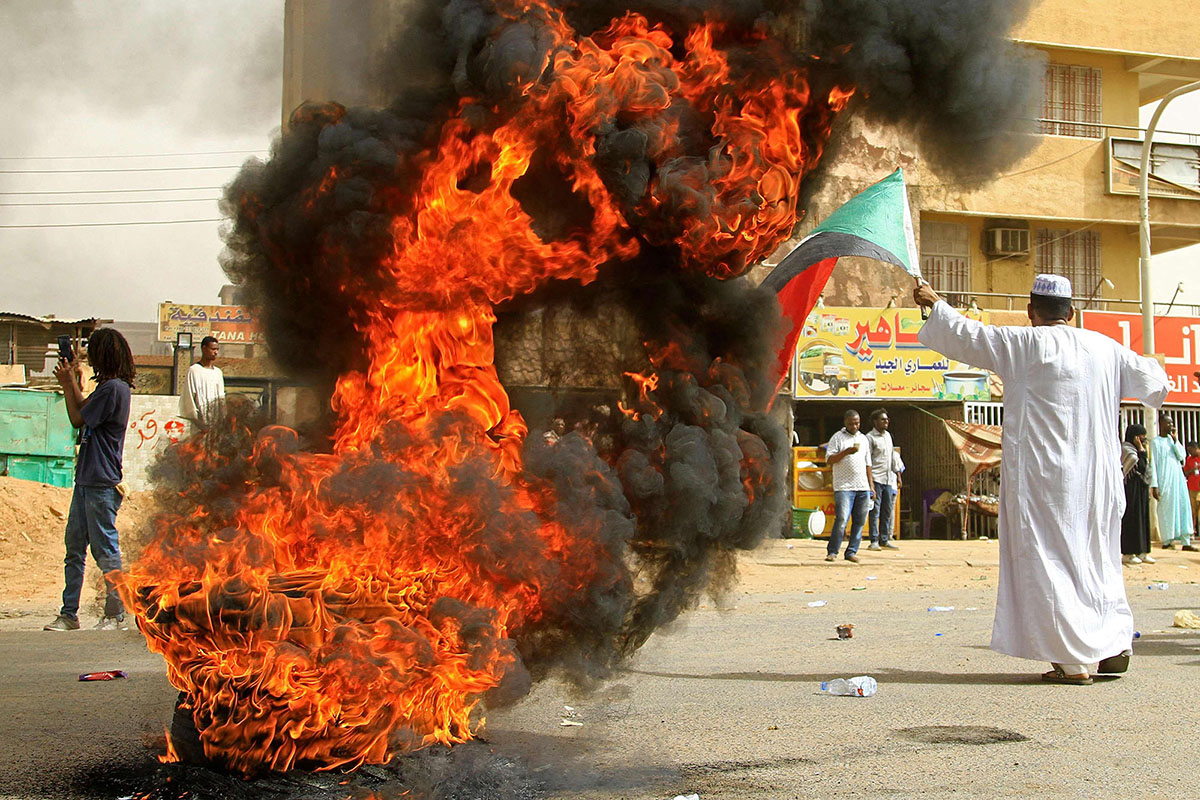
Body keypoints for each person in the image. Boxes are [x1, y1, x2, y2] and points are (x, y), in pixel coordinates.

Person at [913, 273, 1169, 685]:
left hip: (1045, 480)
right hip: (1099, 480)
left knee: (1051, 560)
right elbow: (1156, 382)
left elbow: (966, 334)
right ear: (1073, 312)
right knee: (1098, 558)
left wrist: (933, 303)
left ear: (1031, 312)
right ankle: (1111, 643)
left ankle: (1072, 661)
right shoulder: (1106, 348)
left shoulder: (1023, 344)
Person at [43, 328, 136, 632]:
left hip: (101, 482)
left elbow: (76, 418)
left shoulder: (114, 389)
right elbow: (83, 409)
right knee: (74, 548)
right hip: (87, 480)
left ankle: (115, 613)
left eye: (92, 351)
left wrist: (69, 383)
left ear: (103, 355)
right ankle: (69, 613)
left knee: (105, 551)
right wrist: (72, 384)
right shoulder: (108, 388)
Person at [823, 409, 874, 563]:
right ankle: (832, 551)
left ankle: (851, 551)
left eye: (857, 423)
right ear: (845, 422)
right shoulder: (837, 438)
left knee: (859, 521)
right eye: (851, 423)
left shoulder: (864, 439)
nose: (855, 426)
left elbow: (868, 464)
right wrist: (846, 452)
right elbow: (829, 460)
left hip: (862, 486)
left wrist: (871, 486)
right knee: (842, 519)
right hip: (844, 487)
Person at [1150, 415, 1195, 551]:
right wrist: (1154, 484)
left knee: (1183, 507)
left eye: (1172, 423)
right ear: (1161, 424)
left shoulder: (1172, 440)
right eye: (1168, 423)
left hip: (1178, 480)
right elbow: (1153, 464)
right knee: (1166, 510)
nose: (1170, 425)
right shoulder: (1156, 442)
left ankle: (1186, 541)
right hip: (1165, 481)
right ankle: (1167, 540)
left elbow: (1182, 457)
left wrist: (1176, 441)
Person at [865, 408, 902, 550]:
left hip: (888, 479)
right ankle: (873, 539)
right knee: (875, 510)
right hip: (875, 478)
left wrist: (897, 474)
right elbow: (867, 459)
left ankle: (884, 539)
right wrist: (869, 483)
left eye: (887, 419)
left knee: (887, 510)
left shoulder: (888, 436)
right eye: (883, 419)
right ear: (875, 422)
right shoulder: (870, 438)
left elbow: (892, 457)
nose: (886, 421)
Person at [1119, 424, 1155, 565]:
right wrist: (1140, 449)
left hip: (1141, 490)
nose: (1143, 439)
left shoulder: (1140, 450)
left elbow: (1145, 468)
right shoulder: (1127, 450)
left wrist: (1142, 450)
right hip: (1131, 490)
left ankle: (1143, 551)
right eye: (1141, 436)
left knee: (1143, 520)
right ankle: (1128, 553)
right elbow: (1138, 467)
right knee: (1132, 520)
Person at [179, 335, 225, 429]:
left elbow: (221, 399)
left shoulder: (218, 373)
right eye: (213, 349)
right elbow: (189, 399)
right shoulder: (194, 371)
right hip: (199, 425)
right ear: (204, 349)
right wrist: (198, 421)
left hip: (215, 425)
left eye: (217, 349)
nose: (215, 352)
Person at [1185, 441, 1200, 533]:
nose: (1190, 453)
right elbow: (1185, 473)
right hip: (1191, 487)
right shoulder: (1189, 459)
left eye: (1191, 450)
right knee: (1192, 510)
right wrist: (1192, 470)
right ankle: (1192, 530)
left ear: (1196, 449)